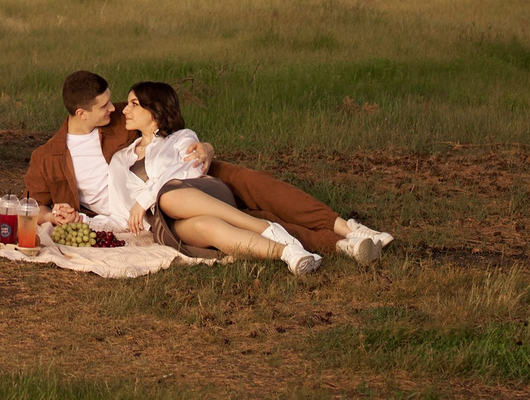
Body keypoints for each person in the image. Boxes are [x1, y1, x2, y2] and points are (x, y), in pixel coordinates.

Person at [24, 69, 390, 267]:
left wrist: (207, 147)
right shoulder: (48, 158)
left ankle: (347, 226)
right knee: (244, 212)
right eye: (105, 106)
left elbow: (169, 126)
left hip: (182, 170)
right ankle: (338, 244)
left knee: (255, 185)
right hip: (153, 200)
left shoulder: (123, 117)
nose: (117, 109)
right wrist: (54, 216)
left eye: (116, 102)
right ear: (80, 113)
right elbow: (34, 207)